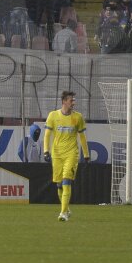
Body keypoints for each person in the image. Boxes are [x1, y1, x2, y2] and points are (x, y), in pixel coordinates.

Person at [42, 90, 89, 222]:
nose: (73, 103)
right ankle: (66, 209)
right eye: (71, 100)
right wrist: (46, 151)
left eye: (74, 100)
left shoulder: (77, 117)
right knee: (59, 185)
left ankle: (63, 213)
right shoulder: (53, 115)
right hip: (57, 154)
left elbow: (82, 137)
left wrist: (86, 154)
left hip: (71, 154)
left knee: (66, 181)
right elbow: (47, 135)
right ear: (64, 102)